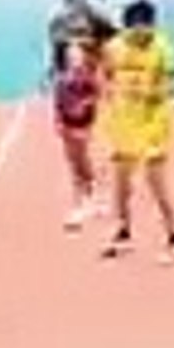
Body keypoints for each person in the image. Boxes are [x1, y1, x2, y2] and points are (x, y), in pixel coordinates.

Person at [100, 0, 174, 264]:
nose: (142, 32)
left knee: (155, 180)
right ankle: (122, 230)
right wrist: (111, 93)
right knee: (121, 182)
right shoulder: (114, 47)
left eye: (146, 27)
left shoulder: (163, 48)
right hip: (124, 122)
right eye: (136, 28)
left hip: (153, 122)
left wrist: (156, 92)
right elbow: (105, 76)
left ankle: (173, 232)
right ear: (128, 27)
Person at [53, 39, 104, 232]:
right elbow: (58, 104)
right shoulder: (62, 80)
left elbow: (98, 96)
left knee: (84, 162)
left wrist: (85, 106)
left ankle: (88, 200)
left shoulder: (89, 79)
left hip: (83, 126)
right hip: (68, 126)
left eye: (77, 55)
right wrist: (58, 123)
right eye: (71, 56)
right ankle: (82, 202)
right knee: (74, 165)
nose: (74, 58)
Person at [47, 0, 116, 77]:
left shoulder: (95, 10)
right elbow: (56, 42)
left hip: (93, 52)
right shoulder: (59, 16)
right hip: (71, 54)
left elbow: (109, 31)